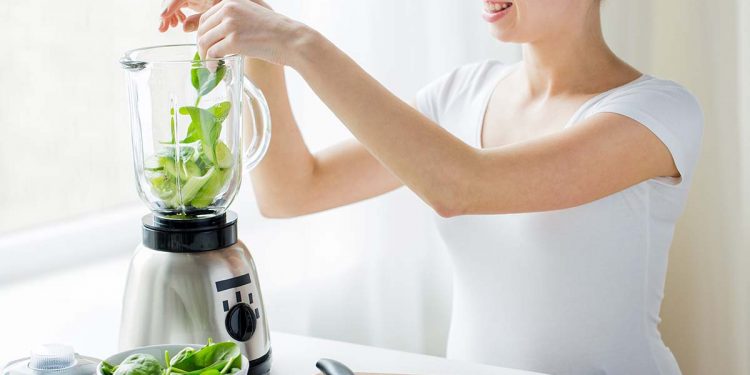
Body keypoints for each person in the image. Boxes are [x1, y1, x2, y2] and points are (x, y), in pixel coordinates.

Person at [160, 1, 702, 374]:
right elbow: (292, 190)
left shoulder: (657, 111)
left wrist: (299, 43)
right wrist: (262, 40)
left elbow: (461, 185)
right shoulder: (463, 93)